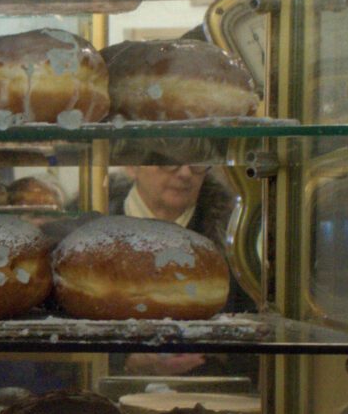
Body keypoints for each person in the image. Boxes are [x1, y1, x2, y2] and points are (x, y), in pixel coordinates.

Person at [105, 162, 254, 377]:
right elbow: (56, 347)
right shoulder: (87, 233)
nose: (185, 173)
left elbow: (260, 341)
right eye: (169, 161)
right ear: (132, 164)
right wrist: (123, 359)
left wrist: (218, 352)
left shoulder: (238, 239)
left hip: (211, 398)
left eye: (196, 162)